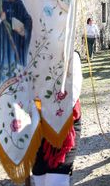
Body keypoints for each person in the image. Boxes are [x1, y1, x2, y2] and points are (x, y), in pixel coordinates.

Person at [32, 51, 83, 186]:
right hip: (35, 126)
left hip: (64, 126)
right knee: (40, 178)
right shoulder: (30, 54)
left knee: (56, 181)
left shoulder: (71, 55)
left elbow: (72, 94)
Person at [0, 0, 32, 83]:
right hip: (5, 39)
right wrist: (1, 19)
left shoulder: (19, 2)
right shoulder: (1, 1)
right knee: (7, 62)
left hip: (16, 38)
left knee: (16, 63)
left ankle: (17, 81)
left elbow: (27, 18)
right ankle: (5, 81)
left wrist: (24, 29)